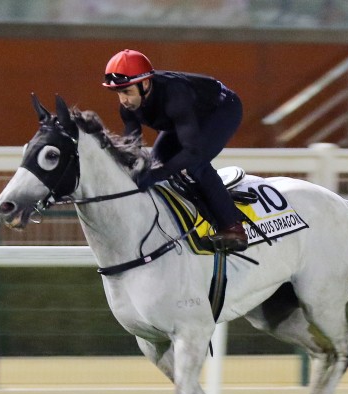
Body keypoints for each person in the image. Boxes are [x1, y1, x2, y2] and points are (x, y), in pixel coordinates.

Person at [101, 49, 248, 252]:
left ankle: (233, 228)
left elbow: (192, 152)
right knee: (156, 165)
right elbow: (132, 150)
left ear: (144, 84)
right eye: (118, 92)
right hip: (186, 117)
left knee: (196, 165)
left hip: (221, 109)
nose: (123, 100)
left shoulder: (175, 96)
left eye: (127, 91)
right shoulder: (128, 108)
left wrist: (155, 175)